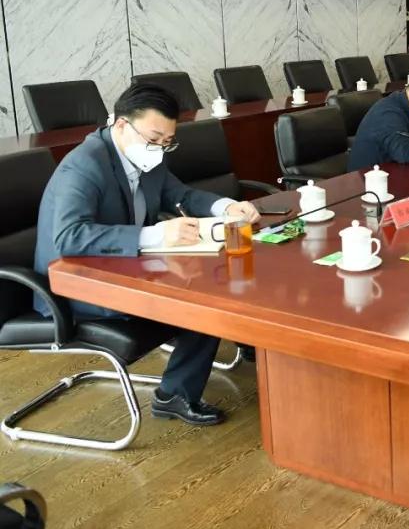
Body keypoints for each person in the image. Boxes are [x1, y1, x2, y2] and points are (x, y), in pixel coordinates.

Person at [33, 84, 262, 426]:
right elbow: (69, 237)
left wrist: (227, 207)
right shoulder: (83, 165)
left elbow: (180, 195)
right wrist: (156, 234)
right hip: (75, 285)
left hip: (125, 266)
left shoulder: (145, 155)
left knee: (215, 278)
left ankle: (242, 346)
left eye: (167, 141)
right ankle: (175, 395)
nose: (160, 149)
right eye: (154, 139)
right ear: (121, 124)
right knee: (202, 298)